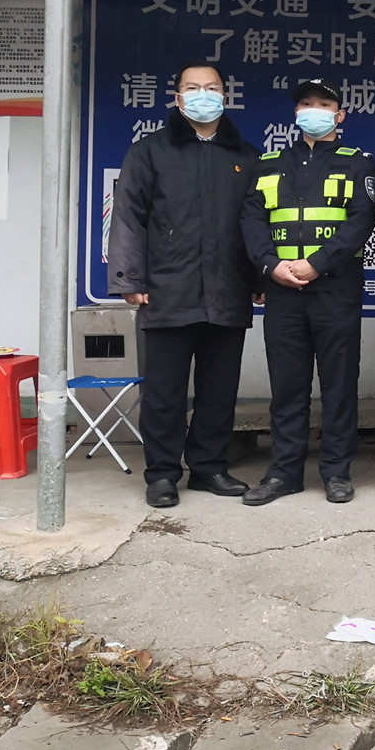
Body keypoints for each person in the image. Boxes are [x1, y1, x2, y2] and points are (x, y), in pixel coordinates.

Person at [108, 61, 259, 508]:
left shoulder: (245, 156)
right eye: (192, 88)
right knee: (164, 392)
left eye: (211, 87)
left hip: (228, 290)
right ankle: (161, 474)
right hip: (166, 289)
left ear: (225, 96)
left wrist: (258, 278)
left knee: (219, 389)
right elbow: (128, 216)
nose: (202, 95)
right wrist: (129, 277)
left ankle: (209, 468)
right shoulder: (150, 151)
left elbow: (256, 224)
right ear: (177, 98)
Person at [239, 79, 375, 505]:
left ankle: (336, 472)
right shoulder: (268, 164)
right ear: (296, 113)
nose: (314, 110)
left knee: (339, 385)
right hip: (282, 290)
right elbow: (251, 220)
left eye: (324, 103)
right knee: (287, 387)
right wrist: (271, 266)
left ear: (340, 115)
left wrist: (317, 263)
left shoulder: (358, 164)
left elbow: (361, 221)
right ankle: (284, 473)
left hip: (335, 289)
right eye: (305, 103)